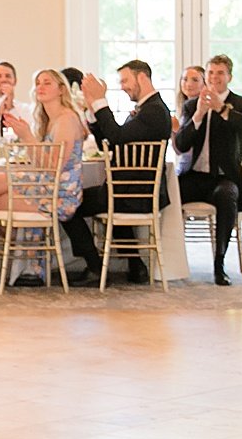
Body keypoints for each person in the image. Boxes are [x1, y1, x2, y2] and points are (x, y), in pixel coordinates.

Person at [0, 68, 86, 286]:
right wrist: (27, 137)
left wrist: (27, 136)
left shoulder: (67, 120)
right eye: (38, 82)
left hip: (60, 193)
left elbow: (53, 166)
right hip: (46, 184)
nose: (40, 86)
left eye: (47, 83)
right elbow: (41, 163)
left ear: (61, 89)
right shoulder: (48, 119)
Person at [60, 60, 174, 285]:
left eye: (125, 80)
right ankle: (136, 266)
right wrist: (91, 109)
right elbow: (113, 141)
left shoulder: (153, 111)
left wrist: (99, 101)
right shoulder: (149, 108)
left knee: (67, 204)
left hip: (134, 194)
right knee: (97, 197)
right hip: (129, 190)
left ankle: (94, 266)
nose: (122, 86)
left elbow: (117, 138)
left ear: (142, 77)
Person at [172, 54, 242, 286]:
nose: (214, 77)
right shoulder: (192, 105)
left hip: (223, 178)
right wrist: (199, 115)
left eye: (220, 73)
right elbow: (181, 144)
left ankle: (219, 263)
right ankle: (168, 261)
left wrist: (223, 109)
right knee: (166, 193)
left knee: (227, 195)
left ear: (229, 76)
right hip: (195, 176)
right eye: (210, 73)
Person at [171, 65, 206, 137]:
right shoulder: (183, 106)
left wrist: (177, 128)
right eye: (185, 79)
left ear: (205, 83)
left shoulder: (204, 108)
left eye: (195, 80)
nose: (189, 84)